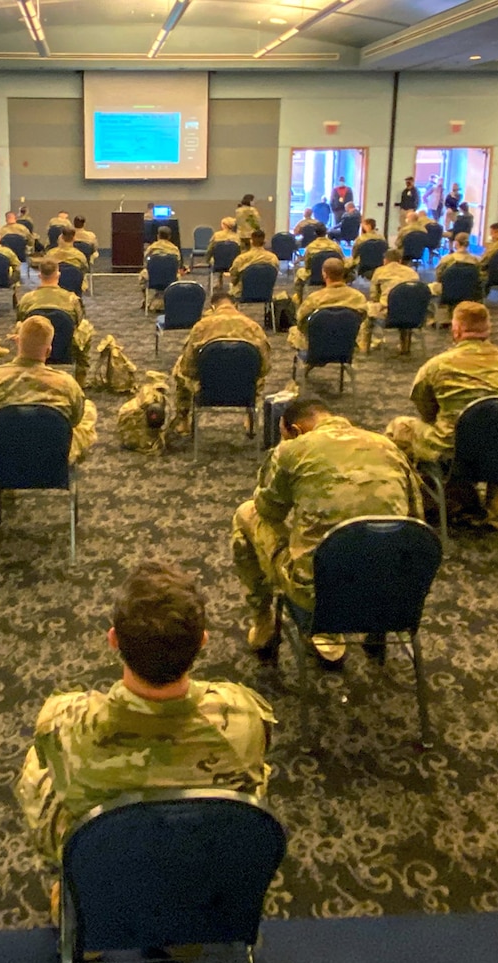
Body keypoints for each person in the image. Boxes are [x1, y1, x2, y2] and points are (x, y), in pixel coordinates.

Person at [14, 561, 274, 869]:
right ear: (203, 642)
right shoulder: (244, 714)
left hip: (108, 854)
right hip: (203, 847)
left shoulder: (65, 721)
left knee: (36, 767)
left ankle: (74, 879)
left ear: (113, 641)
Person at [233, 396, 421, 661]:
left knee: (246, 514)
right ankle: (376, 631)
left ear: (294, 431)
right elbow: (416, 522)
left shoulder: (293, 450)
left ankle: (264, 623)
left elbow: (269, 511)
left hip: (317, 594)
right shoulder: (388, 446)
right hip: (393, 588)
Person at [384, 300, 498, 487]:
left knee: (400, 426)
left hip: (453, 453)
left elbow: (426, 410)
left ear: (457, 330)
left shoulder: (437, 366)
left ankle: (415, 492)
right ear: (489, 328)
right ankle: (492, 494)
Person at [0, 315, 96, 464]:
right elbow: (75, 420)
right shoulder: (66, 384)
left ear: (17, 342)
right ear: (49, 351)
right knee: (88, 408)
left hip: (5, 454)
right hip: (54, 456)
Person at [167, 292, 271, 440]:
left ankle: (183, 419)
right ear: (236, 306)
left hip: (207, 389)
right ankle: (251, 417)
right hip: (245, 389)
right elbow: (265, 367)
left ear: (212, 307)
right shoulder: (254, 327)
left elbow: (187, 368)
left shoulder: (201, 327)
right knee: (259, 377)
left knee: (179, 369)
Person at [289, 258, 367, 359]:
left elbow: (300, 321)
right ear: (343, 273)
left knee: (293, 331)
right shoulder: (358, 297)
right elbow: (363, 318)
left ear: (324, 274)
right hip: (347, 345)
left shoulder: (314, 298)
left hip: (317, 345)